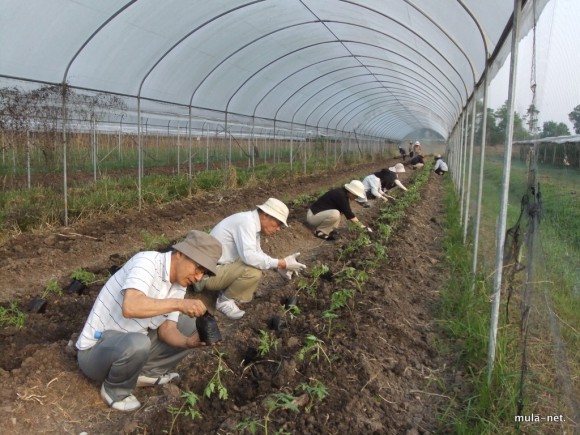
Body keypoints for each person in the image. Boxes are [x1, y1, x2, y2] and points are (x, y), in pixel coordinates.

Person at [75, 230, 222, 412]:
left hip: (130, 345)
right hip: (96, 352)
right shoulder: (146, 262)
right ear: (182, 253)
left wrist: (188, 342)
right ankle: (115, 390)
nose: (199, 277)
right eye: (198, 268)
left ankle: (144, 373)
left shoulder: (178, 284)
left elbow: (167, 329)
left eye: (204, 273)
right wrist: (178, 304)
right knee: (138, 342)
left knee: (190, 327)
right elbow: (131, 307)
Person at [196, 198, 306, 320]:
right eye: (278, 223)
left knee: (254, 263)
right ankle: (224, 302)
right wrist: (281, 263)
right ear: (266, 215)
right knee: (253, 271)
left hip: (215, 267)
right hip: (203, 275)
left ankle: (228, 295)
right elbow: (249, 257)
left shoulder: (251, 223)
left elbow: (257, 253)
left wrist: (278, 267)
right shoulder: (246, 223)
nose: (278, 228)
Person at [306, 179, 371, 241]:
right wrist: (362, 227)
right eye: (356, 196)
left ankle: (330, 230)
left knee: (339, 212)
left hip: (319, 215)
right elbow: (350, 215)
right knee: (335, 213)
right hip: (312, 217)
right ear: (351, 192)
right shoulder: (341, 196)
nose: (356, 198)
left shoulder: (342, 193)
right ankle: (320, 232)